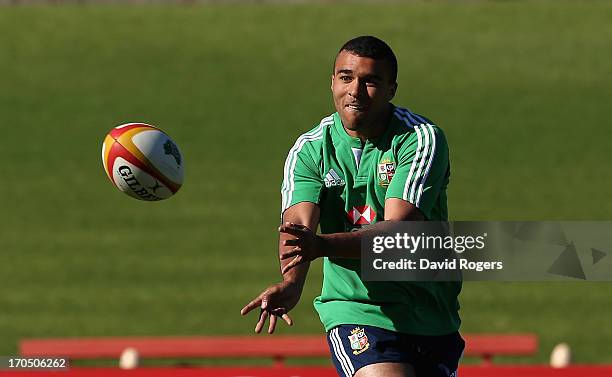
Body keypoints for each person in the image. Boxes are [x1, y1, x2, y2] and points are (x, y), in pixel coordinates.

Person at [241, 36, 463, 377]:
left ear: (392, 89)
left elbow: (399, 232)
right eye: (346, 77)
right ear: (332, 82)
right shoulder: (311, 150)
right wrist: (292, 283)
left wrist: (323, 246)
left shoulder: (421, 138)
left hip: (430, 313)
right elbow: (297, 229)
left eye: (370, 81)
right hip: (355, 309)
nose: (355, 91)